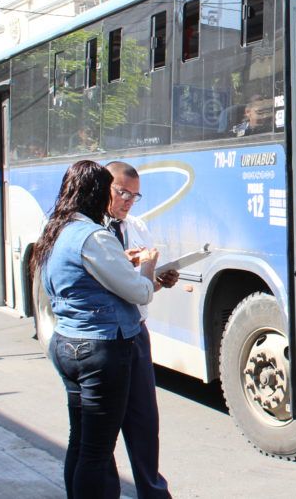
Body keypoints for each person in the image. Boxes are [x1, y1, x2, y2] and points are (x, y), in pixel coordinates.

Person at [33, 160, 158, 498]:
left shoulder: (56, 230)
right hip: (100, 347)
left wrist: (121, 262)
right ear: (96, 193)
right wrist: (148, 266)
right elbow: (140, 291)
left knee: (81, 441)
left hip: (67, 341)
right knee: (97, 451)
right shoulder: (93, 236)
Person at [106, 161, 177, 499]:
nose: (128, 201)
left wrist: (159, 279)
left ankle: (152, 491)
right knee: (103, 426)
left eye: (135, 196)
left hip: (136, 330)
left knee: (144, 420)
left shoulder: (136, 226)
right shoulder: (92, 232)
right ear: (104, 187)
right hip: (105, 338)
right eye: (122, 192)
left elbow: (142, 288)